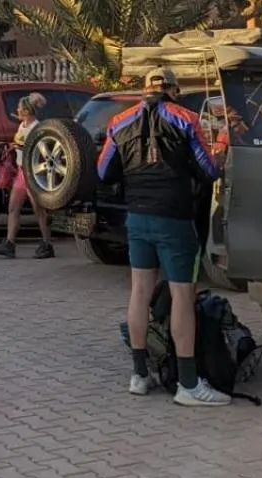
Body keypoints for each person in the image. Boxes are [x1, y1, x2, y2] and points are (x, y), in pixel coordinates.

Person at [97, 66, 229, 408]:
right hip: (175, 219)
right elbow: (209, 170)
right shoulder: (185, 118)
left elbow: (102, 170)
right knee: (183, 296)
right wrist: (225, 142)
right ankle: (188, 383)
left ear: (145, 89)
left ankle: (139, 375)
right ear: (173, 89)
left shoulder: (119, 121)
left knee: (139, 292)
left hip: (137, 218)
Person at [0, 93, 54, 260]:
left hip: (32, 173)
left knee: (39, 209)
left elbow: (37, 148)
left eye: (19, 107)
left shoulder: (36, 128)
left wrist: (18, 146)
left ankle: (47, 243)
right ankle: (10, 243)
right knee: (13, 208)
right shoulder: (23, 125)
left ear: (27, 110)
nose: (17, 110)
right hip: (21, 172)